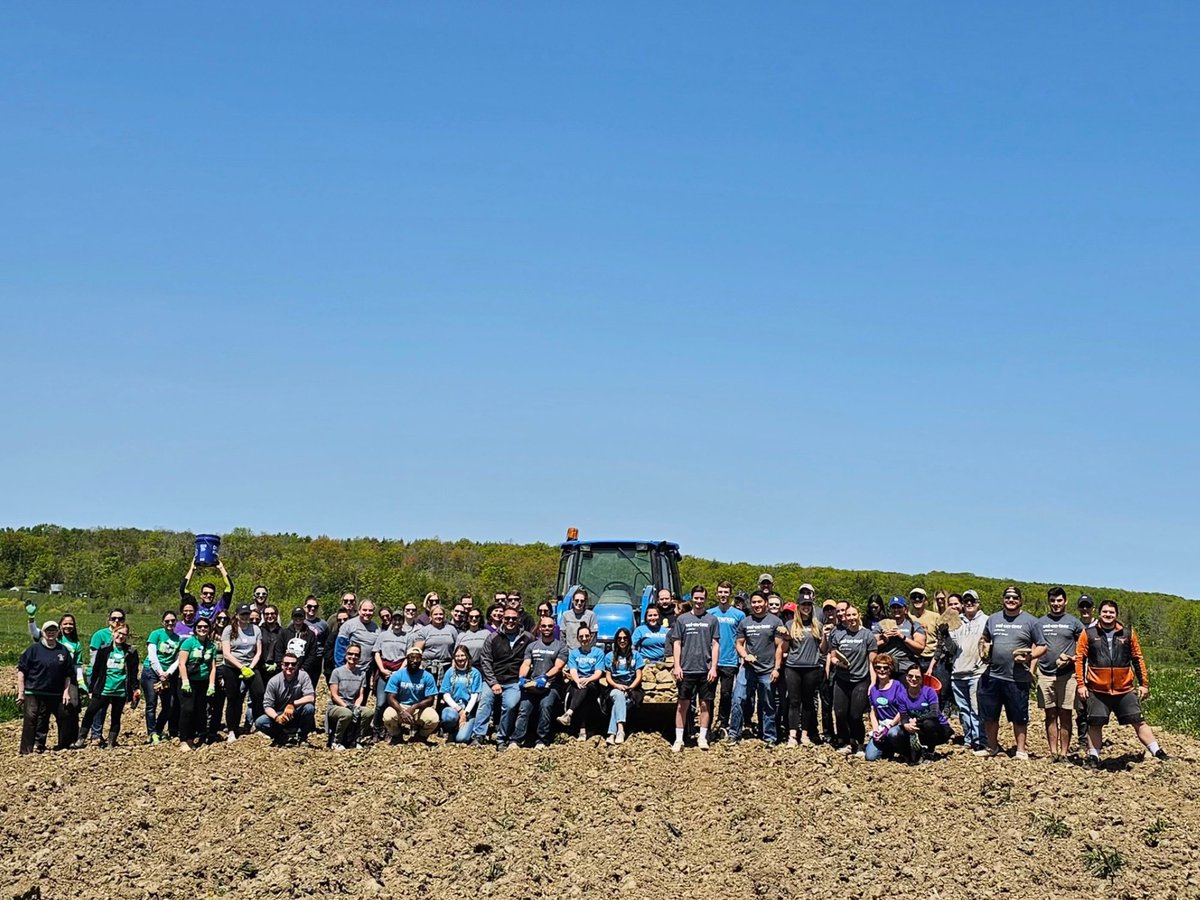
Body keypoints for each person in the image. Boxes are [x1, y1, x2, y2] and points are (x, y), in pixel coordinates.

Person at [1076, 599, 1169, 767]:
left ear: (1116, 615)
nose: (1108, 615)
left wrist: (1144, 684)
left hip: (1124, 689)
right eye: (1105, 612)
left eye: (1111, 612)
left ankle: (1157, 751)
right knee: (1095, 724)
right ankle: (1094, 757)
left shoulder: (1127, 633)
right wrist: (1081, 685)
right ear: (1099, 613)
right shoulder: (1088, 634)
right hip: (1098, 689)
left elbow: (1137, 659)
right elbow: (1080, 660)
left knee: (1138, 721)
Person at [978, 586, 1046, 760]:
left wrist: (1029, 657)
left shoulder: (1031, 621)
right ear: (1003, 599)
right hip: (992, 674)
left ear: (1020, 600)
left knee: (1019, 715)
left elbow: (1042, 646)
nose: (1011, 600)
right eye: (1007, 597)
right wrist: (982, 648)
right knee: (990, 714)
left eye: (1015, 597)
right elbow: (985, 638)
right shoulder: (993, 619)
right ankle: (992, 747)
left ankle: (1021, 750)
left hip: (1017, 677)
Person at [729, 592, 786, 745]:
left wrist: (776, 668)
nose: (757, 605)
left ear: (766, 603)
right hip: (748, 669)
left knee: (768, 704)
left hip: (767, 670)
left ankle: (769, 736)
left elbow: (779, 647)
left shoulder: (775, 621)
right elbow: (739, 644)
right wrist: (744, 655)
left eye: (760, 602)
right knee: (738, 700)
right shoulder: (745, 622)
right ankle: (734, 734)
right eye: (754, 602)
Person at [472, 607, 535, 747]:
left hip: (514, 681)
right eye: (507, 618)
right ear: (502, 619)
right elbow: (486, 660)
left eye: (514, 618)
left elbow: (533, 658)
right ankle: (478, 735)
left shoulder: (528, 638)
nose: (510, 621)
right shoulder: (493, 637)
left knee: (510, 705)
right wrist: (493, 682)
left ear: (519, 619)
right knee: (485, 701)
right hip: (493, 679)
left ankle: (502, 738)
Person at [668, 585, 720, 752]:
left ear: (705, 599)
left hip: (705, 670)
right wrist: (677, 665)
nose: (699, 601)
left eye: (701, 598)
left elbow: (715, 644)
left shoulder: (712, 620)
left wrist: (713, 667)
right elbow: (676, 643)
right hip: (686, 669)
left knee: (705, 705)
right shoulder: (682, 620)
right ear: (692, 598)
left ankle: (703, 737)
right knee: (682, 705)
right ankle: (679, 739)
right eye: (696, 598)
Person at [1037, 587, 1085, 762]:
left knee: (1065, 713)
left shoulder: (1074, 623)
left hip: (1067, 675)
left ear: (1065, 601)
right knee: (1050, 713)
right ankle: (1053, 752)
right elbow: (1036, 645)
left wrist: (1072, 659)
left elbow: (1083, 648)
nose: (1056, 604)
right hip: (1045, 673)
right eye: (1052, 601)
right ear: (1048, 602)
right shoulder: (1040, 623)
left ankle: (1064, 753)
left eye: (1059, 600)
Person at [26, 610, 85, 749]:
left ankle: (68, 740)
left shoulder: (76, 643)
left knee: (71, 710)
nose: (68, 626)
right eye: (65, 624)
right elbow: (35, 632)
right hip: (50, 680)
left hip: (69, 679)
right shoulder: (52, 637)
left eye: (71, 624)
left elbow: (77, 664)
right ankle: (39, 742)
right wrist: (31, 617)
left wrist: (81, 682)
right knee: (44, 712)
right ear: (60, 626)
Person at [823, 605, 875, 756]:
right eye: (848, 615)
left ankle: (858, 743)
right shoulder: (838, 635)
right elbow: (832, 655)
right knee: (839, 713)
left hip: (860, 679)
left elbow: (872, 661)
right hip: (842, 679)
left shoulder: (867, 635)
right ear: (844, 617)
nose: (851, 618)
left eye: (854, 615)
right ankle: (844, 742)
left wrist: (873, 682)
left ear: (859, 615)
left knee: (856, 715)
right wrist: (837, 663)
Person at [78, 623, 141, 749]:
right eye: (119, 633)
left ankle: (111, 742)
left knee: (115, 716)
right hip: (103, 689)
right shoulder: (104, 650)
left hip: (120, 690)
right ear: (113, 633)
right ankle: (81, 738)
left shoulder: (131, 652)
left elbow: (133, 673)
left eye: (124, 634)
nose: (120, 636)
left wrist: (135, 688)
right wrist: (92, 688)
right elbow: (96, 670)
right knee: (90, 712)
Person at [16, 620, 75, 754]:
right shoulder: (34, 649)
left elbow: (68, 674)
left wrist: (66, 692)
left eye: (53, 630)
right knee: (31, 718)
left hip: (55, 692)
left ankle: (64, 746)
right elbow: (22, 670)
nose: (50, 633)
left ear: (57, 632)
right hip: (34, 690)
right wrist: (21, 692)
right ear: (43, 633)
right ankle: (28, 749)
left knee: (64, 715)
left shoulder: (63, 650)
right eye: (48, 631)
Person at [511, 616, 568, 749]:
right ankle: (516, 740)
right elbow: (526, 663)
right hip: (532, 684)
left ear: (554, 628)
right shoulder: (532, 646)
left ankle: (542, 740)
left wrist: (545, 677)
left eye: (549, 626)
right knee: (524, 708)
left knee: (545, 706)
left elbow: (558, 666)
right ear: (540, 628)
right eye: (544, 626)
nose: (546, 629)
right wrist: (521, 677)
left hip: (551, 685)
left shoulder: (561, 646)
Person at [783, 592, 824, 747]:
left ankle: (805, 734)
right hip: (793, 667)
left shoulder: (817, 625)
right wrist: (786, 638)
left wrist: (825, 636)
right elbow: (785, 648)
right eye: (803, 605)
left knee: (808, 702)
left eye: (808, 605)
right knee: (794, 701)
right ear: (798, 607)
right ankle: (792, 735)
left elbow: (823, 648)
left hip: (812, 668)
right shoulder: (790, 625)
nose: (806, 608)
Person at [949, 589, 988, 751]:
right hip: (957, 672)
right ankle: (968, 738)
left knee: (976, 708)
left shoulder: (987, 620)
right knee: (963, 710)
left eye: (972, 600)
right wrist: (945, 635)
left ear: (978, 603)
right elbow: (952, 648)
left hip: (977, 672)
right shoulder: (955, 622)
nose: (969, 603)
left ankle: (980, 740)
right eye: (966, 601)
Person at [220, 603, 264, 741]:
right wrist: (241, 667)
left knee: (259, 693)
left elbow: (258, 651)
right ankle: (232, 729)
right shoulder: (229, 629)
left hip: (251, 666)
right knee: (233, 697)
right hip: (232, 666)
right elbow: (226, 653)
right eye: (243, 614)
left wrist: (250, 667)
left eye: (247, 614)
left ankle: (259, 725)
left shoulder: (256, 629)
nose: (245, 617)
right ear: (237, 615)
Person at [372, 608, 418, 739]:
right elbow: (376, 653)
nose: (397, 622)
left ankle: (390, 729)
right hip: (384, 672)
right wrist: (382, 669)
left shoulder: (407, 637)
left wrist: (398, 672)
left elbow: (408, 656)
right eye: (395, 619)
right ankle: (376, 728)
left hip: (399, 672)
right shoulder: (383, 635)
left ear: (403, 621)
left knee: (393, 703)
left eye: (399, 619)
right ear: (391, 620)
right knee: (380, 703)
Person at [256, 653, 317, 747]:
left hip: (297, 712)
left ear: (297, 665)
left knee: (309, 708)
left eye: (293, 664)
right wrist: (277, 717)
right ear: (282, 665)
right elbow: (267, 706)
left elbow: (311, 697)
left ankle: (303, 737)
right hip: (280, 714)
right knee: (260, 722)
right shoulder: (274, 681)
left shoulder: (303, 676)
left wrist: (292, 704)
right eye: (287, 664)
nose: (290, 666)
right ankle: (281, 737)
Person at [83, 608, 125, 743]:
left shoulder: (123, 634)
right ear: (109, 620)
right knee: (98, 707)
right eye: (114, 618)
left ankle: (109, 738)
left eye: (120, 619)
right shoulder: (100, 635)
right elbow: (94, 657)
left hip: (116, 678)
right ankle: (96, 734)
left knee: (115, 711)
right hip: (99, 675)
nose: (117, 621)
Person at [557, 625, 606, 739]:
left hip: (592, 683)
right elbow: (573, 670)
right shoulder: (574, 653)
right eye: (581, 636)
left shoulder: (598, 653)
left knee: (584, 688)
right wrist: (578, 680)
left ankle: (569, 713)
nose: (584, 638)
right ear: (578, 638)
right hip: (577, 683)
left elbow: (598, 672)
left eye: (586, 636)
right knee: (582, 693)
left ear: (591, 636)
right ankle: (582, 730)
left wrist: (587, 680)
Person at [710, 580, 745, 740]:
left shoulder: (739, 615)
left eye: (726, 592)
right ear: (716, 594)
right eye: (720, 592)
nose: (723, 595)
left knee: (726, 694)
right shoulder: (710, 614)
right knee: (708, 695)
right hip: (712, 661)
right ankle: (708, 724)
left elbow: (742, 639)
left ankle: (723, 722)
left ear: (730, 594)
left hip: (730, 661)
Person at [383, 646, 440, 743]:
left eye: (418, 658)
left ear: (421, 660)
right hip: (400, 706)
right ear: (407, 659)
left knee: (433, 719)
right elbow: (390, 698)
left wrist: (415, 706)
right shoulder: (397, 675)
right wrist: (401, 711)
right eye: (412, 657)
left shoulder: (427, 676)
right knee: (388, 716)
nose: (415, 660)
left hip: (419, 707)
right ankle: (396, 735)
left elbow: (430, 699)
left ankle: (420, 736)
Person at [177, 618, 218, 750]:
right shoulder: (189, 643)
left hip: (203, 682)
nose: (202, 629)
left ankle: (191, 738)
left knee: (199, 711)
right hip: (188, 681)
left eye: (205, 626)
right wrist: (185, 681)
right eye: (199, 626)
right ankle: (183, 739)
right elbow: (182, 663)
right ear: (195, 628)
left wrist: (211, 684)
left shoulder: (211, 646)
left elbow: (213, 667)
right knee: (187, 709)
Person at [142, 610, 182, 743]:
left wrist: (168, 673)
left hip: (167, 673)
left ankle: (159, 730)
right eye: (167, 621)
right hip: (151, 671)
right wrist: (160, 672)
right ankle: (152, 733)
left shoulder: (178, 639)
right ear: (162, 622)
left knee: (169, 705)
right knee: (151, 703)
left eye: (172, 621)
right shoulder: (156, 634)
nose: (170, 623)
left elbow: (178, 659)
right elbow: (152, 655)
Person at [897, 664, 951, 762]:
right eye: (910, 676)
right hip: (918, 727)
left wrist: (916, 720)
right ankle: (910, 754)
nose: (913, 679)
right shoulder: (901, 695)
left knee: (928, 723)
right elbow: (903, 715)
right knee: (897, 733)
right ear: (906, 677)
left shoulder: (929, 692)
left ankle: (930, 753)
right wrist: (906, 725)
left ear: (922, 679)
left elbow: (934, 713)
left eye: (917, 677)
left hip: (938, 729)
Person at [602, 628, 644, 744]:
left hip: (632, 687)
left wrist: (630, 688)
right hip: (615, 686)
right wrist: (617, 686)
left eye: (625, 638)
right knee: (619, 696)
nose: (622, 641)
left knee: (619, 704)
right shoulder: (609, 656)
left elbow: (639, 675)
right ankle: (620, 730)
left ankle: (611, 734)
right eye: (619, 638)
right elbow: (608, 677)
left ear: (629, 640)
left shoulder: (636, 655)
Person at [864, 654, 906, 761]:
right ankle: (887, 748)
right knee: (870, 757)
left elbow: (903, 709)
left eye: (885, 668)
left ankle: (905, 750)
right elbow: (873, 712)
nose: (882, 670)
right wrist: (875, 730)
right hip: (882, 726)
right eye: (878, 668)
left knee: (893, 733)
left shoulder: (897, 686)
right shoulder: (873, 690)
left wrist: (890, 725)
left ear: (890, 669)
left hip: (896, 724)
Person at [327, 644, 368, 750]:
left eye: (356, 655)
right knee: (347, 714)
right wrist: (346, 706)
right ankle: (336, 741)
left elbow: (360, 694)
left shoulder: (362, 674)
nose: (353, 657)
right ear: (346, 655)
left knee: (368, 713)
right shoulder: (337, 672)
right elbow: (334, 695)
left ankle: (357, 739)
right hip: (337, 706)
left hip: (352, 704)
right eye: (350, 654)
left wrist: (357, 706)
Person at [872, 596, 927, 675]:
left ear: (905, 609)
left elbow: (920, 648)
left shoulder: (914, 625)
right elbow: (872, 646)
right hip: (885, 666)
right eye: (893, 607)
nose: (896, 610)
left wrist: (902, 637)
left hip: (907, 665)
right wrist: (884, 641)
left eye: (899, 607)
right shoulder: (881, 624)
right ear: (890, 610)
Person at [440, 646, 483, 743]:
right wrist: (459, 710)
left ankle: (464, 729)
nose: (460, 658)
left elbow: (474, 696)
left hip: (469, 711)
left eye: (463, 655)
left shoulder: (475, 673)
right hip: (454, 708)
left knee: (462, 739)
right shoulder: (450, 672)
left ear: (467, 656)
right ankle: (451, 730)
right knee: (448, 716)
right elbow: (446, 695)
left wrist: (465, 713)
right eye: (457, 656)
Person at [1073, 594, 1096, 751]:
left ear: (1093, 608)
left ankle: (1093, 740)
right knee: (1080, 709)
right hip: (1078, 673)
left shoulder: (1099, 626)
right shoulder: (1074, 626)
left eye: (1088, 606)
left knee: (1094, 708)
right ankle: (1082, 739)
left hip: (1095, 673)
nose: (1085, 609)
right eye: (1082, 606)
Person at [414, 605, 459, 683]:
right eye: (435, 614)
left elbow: (456, 650)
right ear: (431, 616)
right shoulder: (424, 631)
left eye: (441, 614)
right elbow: (417, 651)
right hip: (427, 667)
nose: (438, 616)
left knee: (444, 693)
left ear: (444, 616)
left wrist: (453, 668)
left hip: (447, 667)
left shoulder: (451, 629)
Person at [181, 558, 233, 624]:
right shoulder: (195, 607)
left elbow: (229, 588)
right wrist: (192, 569)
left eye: (211, 594)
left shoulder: (219, 607)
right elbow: (183, 589)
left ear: (214, 595)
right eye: (205, 593)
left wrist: (221, 568)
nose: (208, 595)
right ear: (201, 595)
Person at [280, 608, 320, 683]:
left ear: (304, 618)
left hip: (304, 671)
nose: (298, 619)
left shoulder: (310, 634)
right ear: (292, 618)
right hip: (286, 670)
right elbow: (279, 651)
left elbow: (312, 654)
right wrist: (283, 666)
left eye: (300, 616)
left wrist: (304, 668)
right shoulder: (284, 633)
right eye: (295, 616)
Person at [909, 588, 940, 679]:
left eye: (920, 597)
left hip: (931, 659)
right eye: (914, 597)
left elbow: (941, 640)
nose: (917, 599)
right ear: (910, 600)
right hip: (913, 659)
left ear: (925, 600)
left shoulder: (935, 617)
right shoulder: (907, 617)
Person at [302, 596, 329, 685]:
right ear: (305, 607)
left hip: (317, 658)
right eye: (310, 606)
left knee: (312, 685)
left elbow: (326, 642)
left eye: (315, 606)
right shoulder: (298, 622)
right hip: (302, 657)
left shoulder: (323, 624)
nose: (312, 608)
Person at [258, 606, 285, 683]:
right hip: (261, 669)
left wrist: (278, 665)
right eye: (267, 614)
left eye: (272, 613)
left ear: (276, 615)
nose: (269, 616)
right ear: (263, 616)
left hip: (278, 670)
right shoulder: (259, 631)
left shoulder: (283, 632)